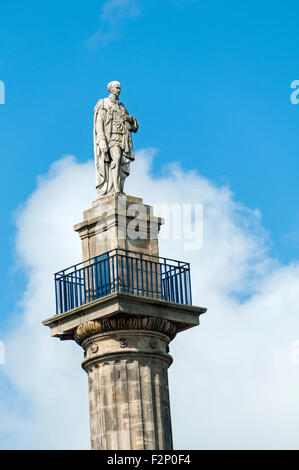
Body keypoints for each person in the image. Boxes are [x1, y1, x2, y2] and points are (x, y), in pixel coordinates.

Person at [94, 81, 139, 196]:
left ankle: (117, 187)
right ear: (111, 89)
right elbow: (99, 124)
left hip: (123, 139)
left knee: (121, 163)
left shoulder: (121, 107)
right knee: (117, 158)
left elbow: (134, 127)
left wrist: (128, 118)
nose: (119, 90)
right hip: (111, 139)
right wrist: (102, 140)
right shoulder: (103, 104)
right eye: (116, 88)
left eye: (119, 88)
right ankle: (116, 189)